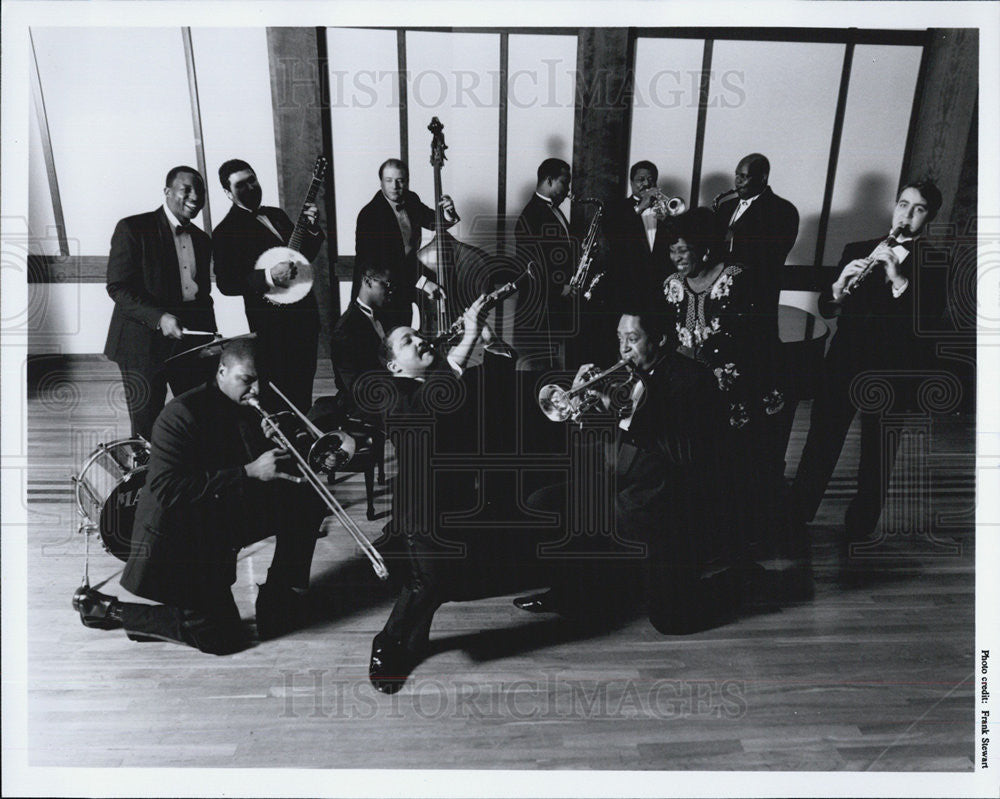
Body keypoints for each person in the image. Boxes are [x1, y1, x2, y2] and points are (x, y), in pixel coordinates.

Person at [73, 340, 325, 654]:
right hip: (183, 532)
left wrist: (282, 441)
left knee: (309, 500)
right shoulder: (181, 415)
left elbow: (256, 461)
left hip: (224, 511)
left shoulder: (249, 403)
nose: (256, 390)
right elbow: (167, 488)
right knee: (222, 638)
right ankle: (115, 611)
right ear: (222, 371)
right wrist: (248, 471)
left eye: (261, 380)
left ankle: (279, 595)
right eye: (246, 380)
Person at [512, 310, 735, 635]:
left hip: (664, 497)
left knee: (671, 621)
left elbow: (684, 453)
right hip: (619, 482)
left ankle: (736, 580)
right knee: (544, 501)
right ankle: (571, 594)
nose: (624, 349)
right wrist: (581, 408)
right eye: (620, 339)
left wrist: (624, 414)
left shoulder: (691, 380)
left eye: (633, 339)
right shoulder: (623, 376)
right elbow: (602, 442)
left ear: (659, 339)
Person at [366, 298, 522, 693]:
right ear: (394, 365)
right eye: (407, 341)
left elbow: (497, 389)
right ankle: (386, 643)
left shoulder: (445, 381)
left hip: (459, 503)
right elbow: (426, 412)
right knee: (427, 582)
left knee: (441, 580)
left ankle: (415, 640)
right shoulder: (391, 393)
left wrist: (489, 339)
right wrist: (466, 339)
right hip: (422, 510)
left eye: (418, 333)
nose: (419, 339)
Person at [790, 180, 945, 552]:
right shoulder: (858, 250)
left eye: (918, 208)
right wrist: (839, 288)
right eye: (903, 204)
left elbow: (928, 323)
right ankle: (795, 515)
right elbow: (830, 310)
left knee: (878, 451)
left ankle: (860, 526)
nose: (906, 214)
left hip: (893, 371)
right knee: (821, 441)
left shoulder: (936, 262)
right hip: (845, 362)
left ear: (929, 217)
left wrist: (898, 281)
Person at [660, 207, 792, 572]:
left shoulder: (738, 278)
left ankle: (739, 544)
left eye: (684, 250)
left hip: (737, 391)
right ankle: (702, 539)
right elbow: (671, 336)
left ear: (705, 249)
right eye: (672, 251)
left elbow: (759, 337)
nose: (677, 258)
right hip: (691, 390)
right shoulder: (671, 286)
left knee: (735, 468)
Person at [103, 166, 218, 440]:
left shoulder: (202, 239)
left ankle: (187, 477)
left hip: (188, 343)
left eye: (199, 191)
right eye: (186, 189)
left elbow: (201, 296)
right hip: (141, 343)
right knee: (147, 425)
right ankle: (147, 481)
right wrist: (160, 317)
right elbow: (118, 286)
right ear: (167, 192)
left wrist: (212, 338)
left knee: (197, 415)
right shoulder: (133, 227)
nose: (194, 196)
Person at [212, 158, 325, 413]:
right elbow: (227, 283)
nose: (251, 187)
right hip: (272, 326)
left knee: (304, 385)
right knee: (279, 391)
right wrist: (269, 276)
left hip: (305, 316)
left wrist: (313, 228)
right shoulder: (224, 232)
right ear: (228, 193)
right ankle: (280, 445)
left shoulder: (276, 215)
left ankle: (304, 441)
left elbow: (302, 256)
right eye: (241, 184)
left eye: (253, 180)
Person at [354, 158, 458, 329]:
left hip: (406, 282)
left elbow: (435, 222)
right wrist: (424, 282)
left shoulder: (411, 199)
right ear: (381, 182)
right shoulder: (369, 215)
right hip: (381, 289)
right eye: (389, 180)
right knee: (388, 341)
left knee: (405, 333)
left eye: (400, 180)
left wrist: (448, 213)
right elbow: (378, 265)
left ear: (407, 181)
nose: (395, 186)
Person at [514, 157, 577, 365]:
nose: (568, 189)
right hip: (540, 307)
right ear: (549, 180)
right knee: (540, 368)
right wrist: (560, 288)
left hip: (554, 305)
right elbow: (531, 265)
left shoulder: (553, 210)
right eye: (564, 181)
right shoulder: (531, 215)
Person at [601, 160, 673, 309]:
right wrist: (640, 207)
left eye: (651, 180)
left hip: (659, 285)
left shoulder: (665, 209)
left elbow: (676, 242)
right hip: (627, 285)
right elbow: (613, 235)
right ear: (631, 182)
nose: (646, 184)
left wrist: (667, 221)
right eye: (641, 180)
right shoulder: (615, 208)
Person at [329, 260, 395, 416]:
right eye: (386, 285)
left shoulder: (383, 314)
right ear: (367, 281)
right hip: (362, 407)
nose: (390, 292)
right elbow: (355, 385)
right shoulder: (345, 329)